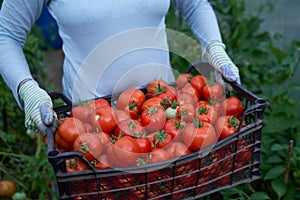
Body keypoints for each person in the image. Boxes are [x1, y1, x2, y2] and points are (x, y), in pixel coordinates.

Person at [0, 0, 240, 134]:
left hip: (167, 115)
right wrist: (26, 88)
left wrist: (214, 48)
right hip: (91, 126)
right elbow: (6, 35)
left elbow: (195, 5)